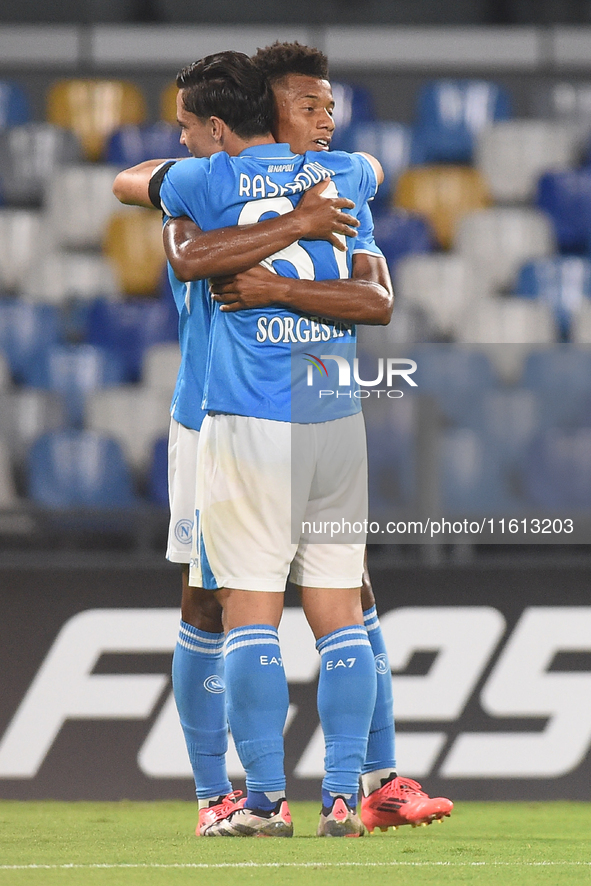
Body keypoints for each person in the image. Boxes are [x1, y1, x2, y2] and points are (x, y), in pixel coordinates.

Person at [113, 43, 451, 836]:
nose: (324, 120)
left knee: (337, 595)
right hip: (211, 413)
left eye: (329, 106)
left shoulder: (271, 183)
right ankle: (217, 795)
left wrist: (275, 255)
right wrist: (285, 213)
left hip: (278, 409)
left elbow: (372, 296)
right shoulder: (222, 180)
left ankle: (368, 781)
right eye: (308, 106)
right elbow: (144, 191)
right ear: (264, 113)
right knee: (211, 601)